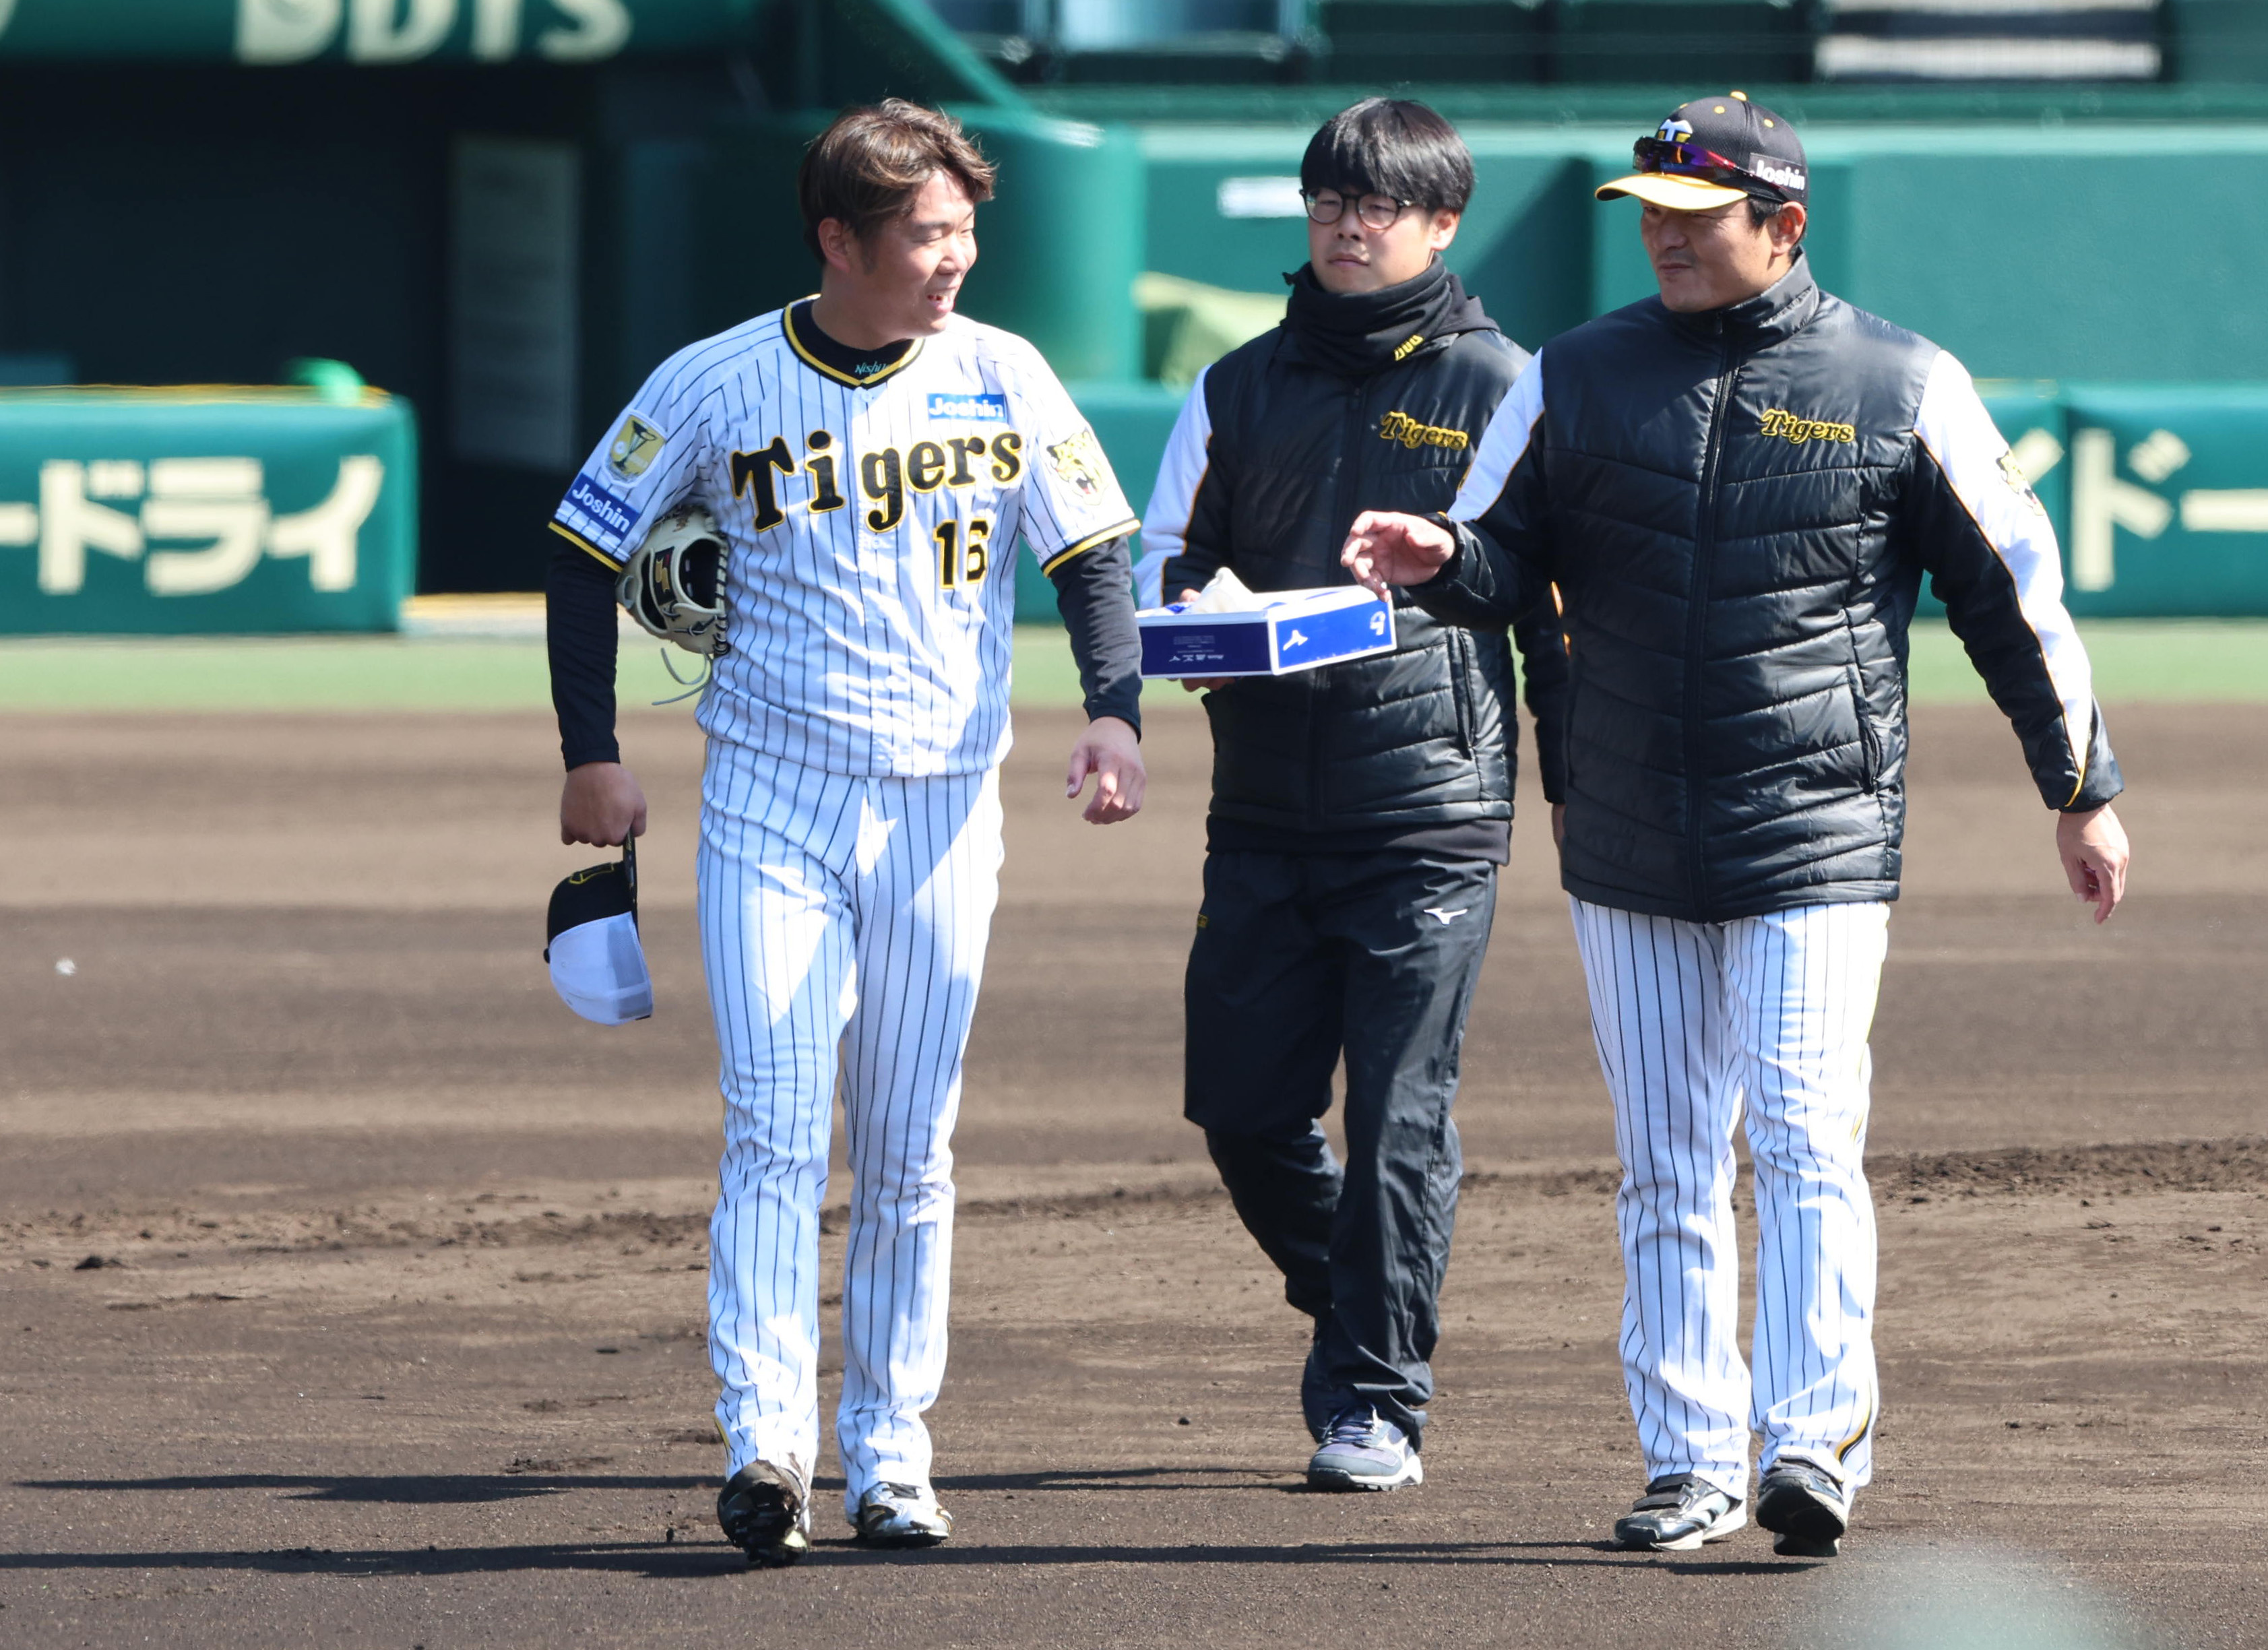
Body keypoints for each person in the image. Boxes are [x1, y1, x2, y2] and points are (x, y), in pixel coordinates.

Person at [1341, 93, 2129, 1556]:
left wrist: (2079, 788)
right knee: (1664, 1158)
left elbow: (2014, 593)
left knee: (1804, 1132)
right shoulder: (1575, 375)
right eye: (1650, 215)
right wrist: (1438, 550)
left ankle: (1812, 1438)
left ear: (1785, 226)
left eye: (1696, 220)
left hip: (1817, 821)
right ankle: (1690, 1456)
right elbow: (1499, 550)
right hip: (1628, 826)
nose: (1665, 240)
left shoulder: (1901, 380)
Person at [544, 100, 1147, 1566]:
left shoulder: (1001, 372)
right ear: (839, 238)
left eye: (965, 230)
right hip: (770, 798)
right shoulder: (718, 380)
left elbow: (1092, 550)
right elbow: (582, 547)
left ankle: (892, 1451)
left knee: (910, 1143)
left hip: (945, 805)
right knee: (773, 1122)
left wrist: (1116, 710)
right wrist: (592, 754)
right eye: (929, 233)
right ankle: (768, 1441)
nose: (958, 258)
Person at [1138, 98, 1567, 1492]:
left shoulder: (1505, 384)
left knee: (1399, 1113)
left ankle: (1376, 1396)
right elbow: (1161, 562)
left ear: (1444, 223)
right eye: (1331, 198)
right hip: (1261, 800)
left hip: (1430, 805)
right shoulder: (1234, 386)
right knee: (1241, 1109)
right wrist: (1197, 619)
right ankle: (1365, 1303)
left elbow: (1546, 589)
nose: (1347, 221)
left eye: (1380, 203)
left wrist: (1448, 563)